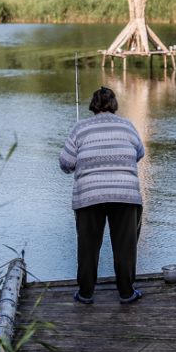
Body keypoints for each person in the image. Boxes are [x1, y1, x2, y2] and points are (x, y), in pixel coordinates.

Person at [59, 86, 145, 305]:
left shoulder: (80, 128)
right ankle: (126, 293)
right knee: (125, 246)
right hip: (125, 193)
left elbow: (66, 163)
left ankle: (86, 293)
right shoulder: (127, 126)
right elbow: (139, 153)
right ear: (114, 104)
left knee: (88, 245)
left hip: (89, 194)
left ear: (93, 105)